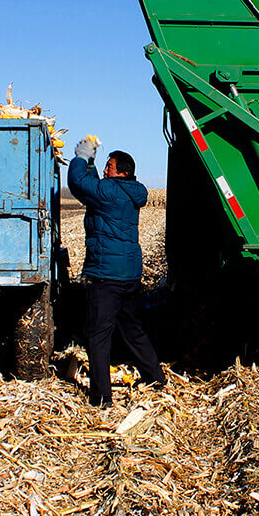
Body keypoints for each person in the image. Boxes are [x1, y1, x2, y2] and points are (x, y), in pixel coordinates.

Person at [67, 137, 165, 406]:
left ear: (122, 172)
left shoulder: (109, 191)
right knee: (132, 329)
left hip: (107, 276)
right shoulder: (130, 192)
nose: (107, 170)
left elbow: (78, 183)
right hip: (130, 275)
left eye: (110, 166)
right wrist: (93, 164)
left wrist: (82, 158)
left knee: (98, 336)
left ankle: (101, 398)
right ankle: (156, 378)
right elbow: (97, 187)